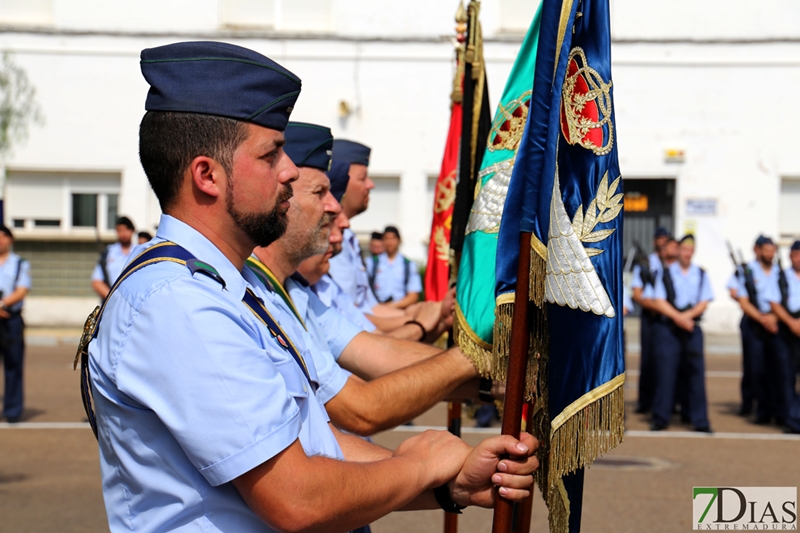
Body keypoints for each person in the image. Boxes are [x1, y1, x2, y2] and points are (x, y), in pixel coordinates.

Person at [87, 41, 537, 532]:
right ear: (207, 175)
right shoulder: (177, 303)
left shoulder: (230, 289)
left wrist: (446, 487)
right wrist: (420, 463)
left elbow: (315, 441)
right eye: (271, 153)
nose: (288, 171)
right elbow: (297, 498)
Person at [249, 122, 481, 435]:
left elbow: (377, 352)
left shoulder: (294, 292)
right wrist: (474, 361)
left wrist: (492, 376)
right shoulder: (244, 291)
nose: (334, 209)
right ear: (280, 202)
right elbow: (362, 407)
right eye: (321, 192)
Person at [645, 235, 713, 432]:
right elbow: (659, 300)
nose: (687, 253)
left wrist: (687, 317)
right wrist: (679, 318)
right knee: (666, 374)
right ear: (678, 251)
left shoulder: (700, 274)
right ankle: (660, 418)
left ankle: (699, 420)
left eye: (691, 249)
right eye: (684, 249)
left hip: (692, 327)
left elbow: (704, 301)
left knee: (695, 376)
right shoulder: (665, 273)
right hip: (670, 328)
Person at [726, 235, 780, 422]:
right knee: (753, 366)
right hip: (753, 321)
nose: (770, 254)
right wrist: (760, 318)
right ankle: (749, 402)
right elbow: (736, 294)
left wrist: (773, 317)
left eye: (772, 250)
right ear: (756, 250)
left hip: (775, 322)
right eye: (766, 250)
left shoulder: (779, 272)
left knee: (773, 366)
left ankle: (771, 403)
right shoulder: (747, 271)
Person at [631, 227, 670, 414]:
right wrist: (656, 306)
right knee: (647, 360)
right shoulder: (646, 264)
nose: (663, 242)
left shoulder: (673, 263)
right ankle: (645, 401)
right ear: (654, 241)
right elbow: (637, 294)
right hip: (651, 316)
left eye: (666, 239)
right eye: (660, 239)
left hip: (669, 317)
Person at [765, 239, 800, 430]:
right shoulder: (780, 277)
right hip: (787, 331)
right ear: (790, 256)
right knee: (786, 377)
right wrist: (792, 323)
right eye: (796, 255)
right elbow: (774, 303)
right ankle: (789, 419)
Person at [0, 225, 31, 423]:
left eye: (3, 237)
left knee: (13, 366)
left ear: (11, 240)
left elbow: (22, 289)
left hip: (10, 320)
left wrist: (2, 304)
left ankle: (12, 410)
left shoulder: (20, 263)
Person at [366, 226, 423, 309]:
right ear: (383, 241)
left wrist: (390, 306)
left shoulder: (409, 265)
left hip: (400, 310)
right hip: (376, 309)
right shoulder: (371, 263)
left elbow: (413, 296)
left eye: (393, 238)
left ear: (399, 240)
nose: (390, 242)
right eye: (387, 238)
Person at [90, 216, 135, 299]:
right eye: (120, 230)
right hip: (112, 301)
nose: (123, 233)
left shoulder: (139, 252)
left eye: (126, 230)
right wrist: (112, 298)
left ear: (132, 231)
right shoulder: (108, 253)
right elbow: (96, 281)